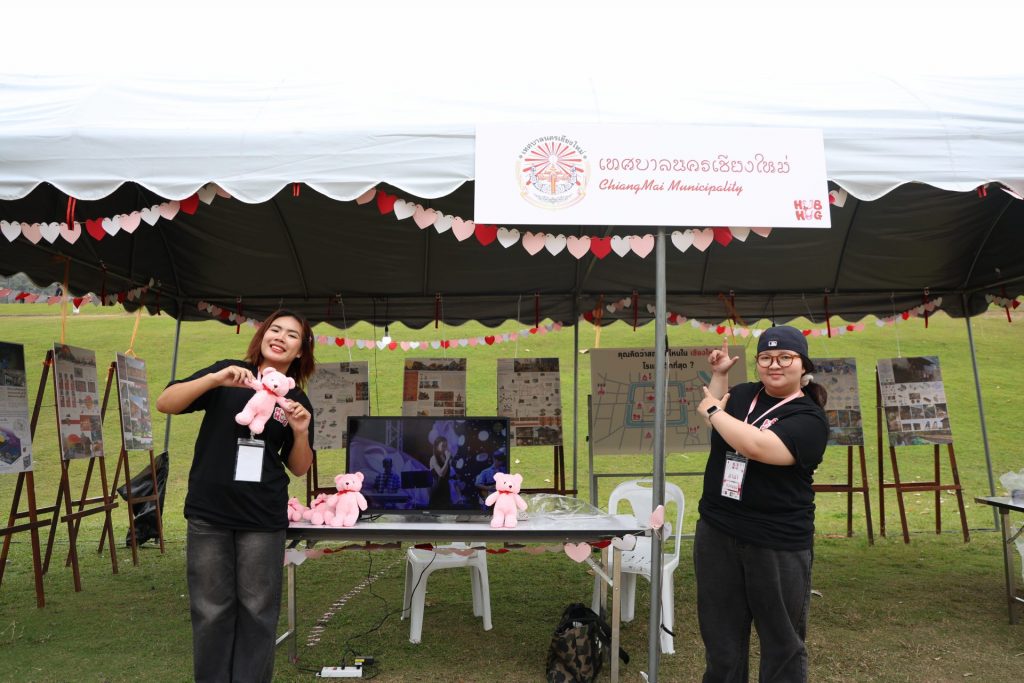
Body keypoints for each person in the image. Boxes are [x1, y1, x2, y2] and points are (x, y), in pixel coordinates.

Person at [156, 309, 315, 683]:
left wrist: (301, 431)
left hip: (262, 516)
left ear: (300, 351)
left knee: (258, 611)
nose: (280, 337)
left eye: (292, 335)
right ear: (262, 336)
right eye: (275, 329)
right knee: (211, 610)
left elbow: (299, 467)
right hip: (209, 511)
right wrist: (214, 380)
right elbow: (166, 402)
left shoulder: (297, 400)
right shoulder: (230, 373)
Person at [694, 327, 829, 683]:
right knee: (721, 639)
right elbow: (717, 417)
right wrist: (719, 376)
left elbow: (756, 446)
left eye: (785, 357)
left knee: (781, 642)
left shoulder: (810, 419)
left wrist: (712, 410)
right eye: (766, 358)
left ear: (803, 365)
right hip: (718, 530)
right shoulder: (743, 394)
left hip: (775, 540)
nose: (774, 365)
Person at [428, 434, 453, 507]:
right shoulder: (433, 458)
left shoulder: (445, 458)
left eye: (446, 445)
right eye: (443, 446)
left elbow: (446, 475)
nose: (445, 448)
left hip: (446, 490)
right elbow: (441, 474)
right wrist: (447, 460)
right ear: (437, 446)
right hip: (437, 490)